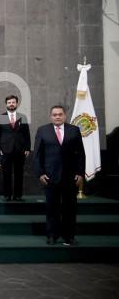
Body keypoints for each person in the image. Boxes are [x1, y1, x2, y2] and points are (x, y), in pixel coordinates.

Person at [32, 105, 86, 246]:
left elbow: (81, 153)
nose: (57, 116)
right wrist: (40, 174)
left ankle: (69, 236)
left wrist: (80, 173)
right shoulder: (43, 130)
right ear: (51, 116)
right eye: (55, 114)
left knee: (70, 208)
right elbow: (37, 155)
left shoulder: (74, 130)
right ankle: (52, 235)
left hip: (70, 177)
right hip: (50, 177)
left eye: (60, 114)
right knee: (52, 208)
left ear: (64, 116)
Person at [0, 95, 31, 201]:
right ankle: (7, 195)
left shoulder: (23, 117)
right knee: (6, 173)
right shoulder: (1, 117)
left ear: (16, 103)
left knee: (19, 173)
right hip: (5, 150)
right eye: (9, 102)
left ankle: (18, 195)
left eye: (13, 102)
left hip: (20, 150)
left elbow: (27, 134)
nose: (11, 104)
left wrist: (28, 148)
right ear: (6, 104)